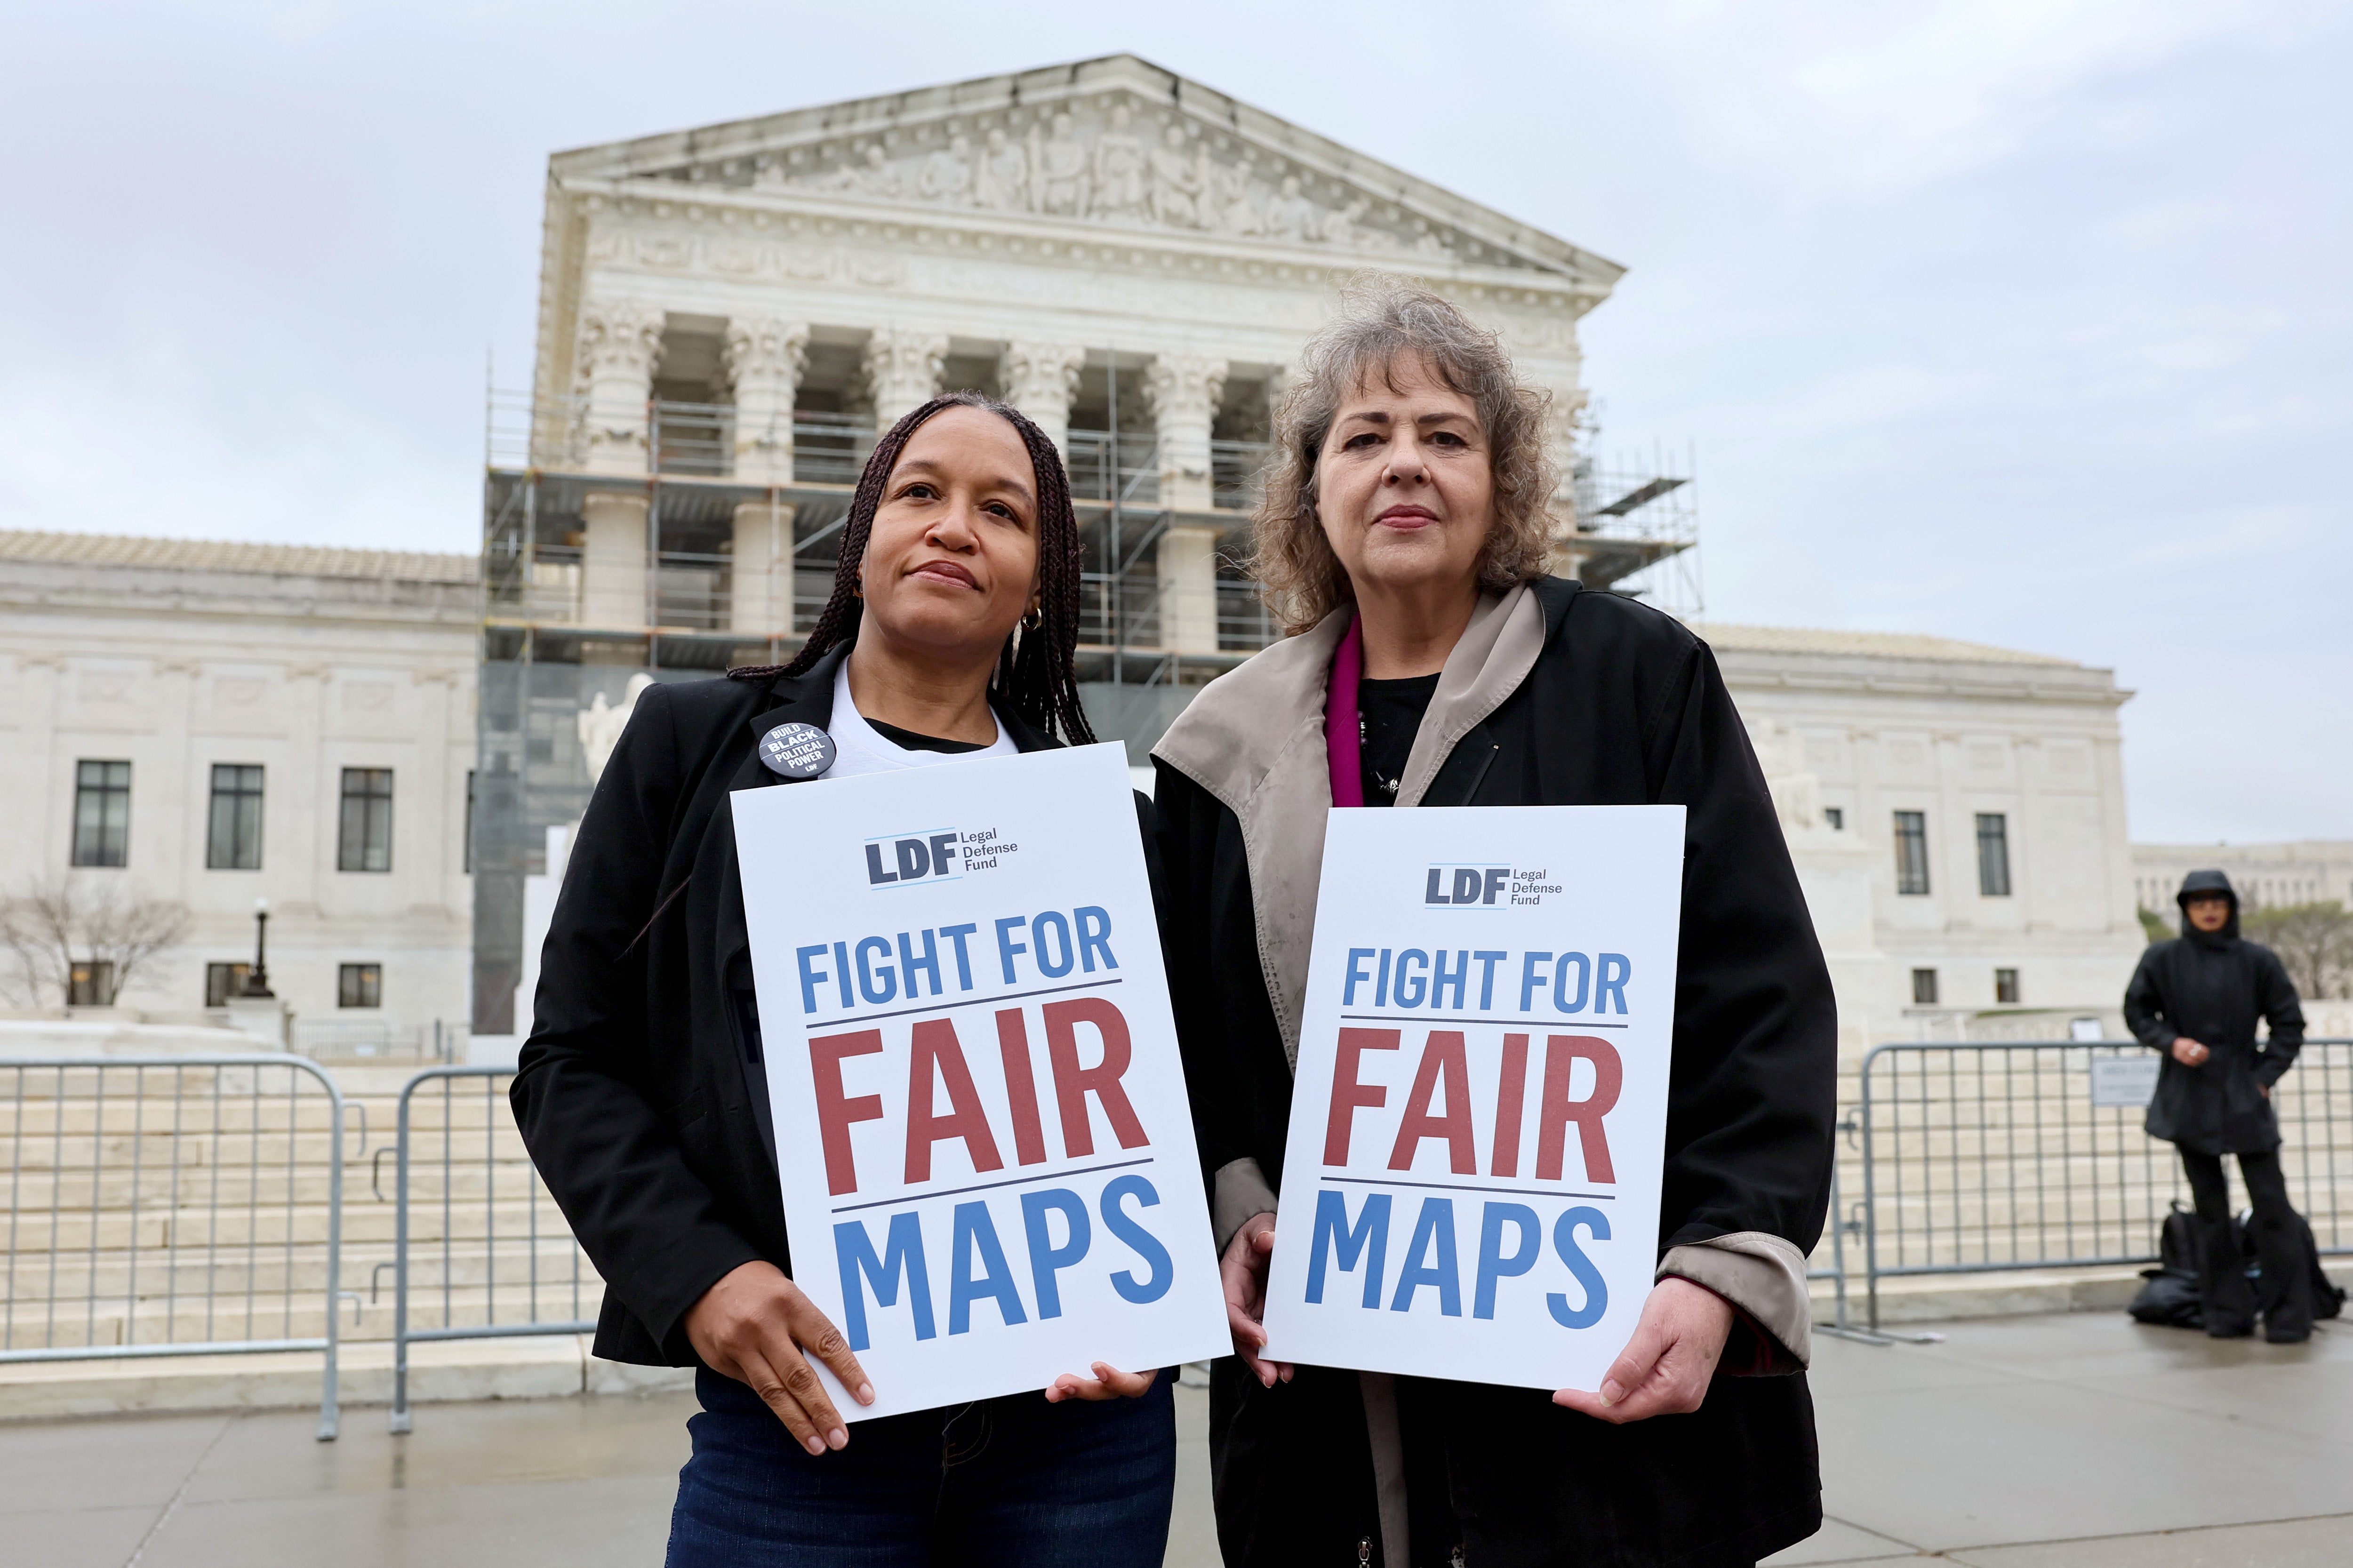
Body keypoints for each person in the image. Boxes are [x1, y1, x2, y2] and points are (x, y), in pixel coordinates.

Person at [1151, 278, 1838, 1567]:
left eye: (1445, 435)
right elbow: (1193, 1039)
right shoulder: (1217, 750)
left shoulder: (1638, 678)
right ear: (1313, 489)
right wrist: (1238, 1202)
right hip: (1326, 1400)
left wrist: (1719, 1265)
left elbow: (1759, 996)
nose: (1404, 463)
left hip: (1600, 1381)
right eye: (1364, 437)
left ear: (1502, 477)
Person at [511, 392, 1175, 1567]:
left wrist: (1155, 1307)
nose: (954, 527)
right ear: (863, 538)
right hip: (799, 1429)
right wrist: (702, 1276)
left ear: (1040, 578)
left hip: (1078, 1441)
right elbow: (572, 1058)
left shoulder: (1104, 826)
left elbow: (1170, 1088)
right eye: (920, 492)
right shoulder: (691, 745)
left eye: (1002, 511)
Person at [2124, 869, 2312, 1343]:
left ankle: (2288, 1317)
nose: (2208, 909)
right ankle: (2225, 1314)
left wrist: (2264, 1077)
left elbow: (2288, 1022)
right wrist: (2170, 1041)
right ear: (2184, 908)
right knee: (2210, 1211)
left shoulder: (2257, 960)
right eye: (2197, 901)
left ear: (2229, 906)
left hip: (2243, 1096)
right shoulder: (2161, 957)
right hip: (2188, 1098)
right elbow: (2137, 1012)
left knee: (2271, 1207)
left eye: (2217, 901)